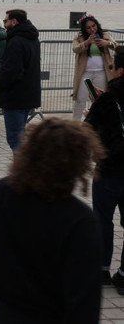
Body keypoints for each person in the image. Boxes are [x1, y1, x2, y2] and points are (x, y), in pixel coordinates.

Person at [0, 118, 103, 322]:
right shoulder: (80, 220)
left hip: (0, 313)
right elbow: (85, 302)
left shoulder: (4, 191)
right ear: (78, 164)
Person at [85, 47, 124, 291]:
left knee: (103, 218)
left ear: (120, 70)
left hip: (111, 167)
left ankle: (101, 270)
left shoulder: (109, 98)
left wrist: (93, 108)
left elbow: (89, 129)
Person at [0, 9, 41, 150]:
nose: (4, 24)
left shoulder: (16, 41)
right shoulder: (33, 38)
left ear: (14, 21)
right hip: (29, 93)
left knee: (15, 138)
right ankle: (23, 169)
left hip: (15, 96)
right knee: (20, 135)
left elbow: (11, 71)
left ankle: (22, 170)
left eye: (5, 21)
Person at [71, 15, 117, 121]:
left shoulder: (105, 34)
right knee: (80, 99)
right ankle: (75, 125)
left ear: (97, 25)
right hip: (85, 73)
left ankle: (99, 124)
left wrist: (107, 43)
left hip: (101, 72)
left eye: (93, 26)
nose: (92, 29)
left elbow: (116, 45)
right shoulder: (79, 37)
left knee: (100, 99)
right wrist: (86, 42)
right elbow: (75, 49)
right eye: (88, 27)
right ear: (84, 29)